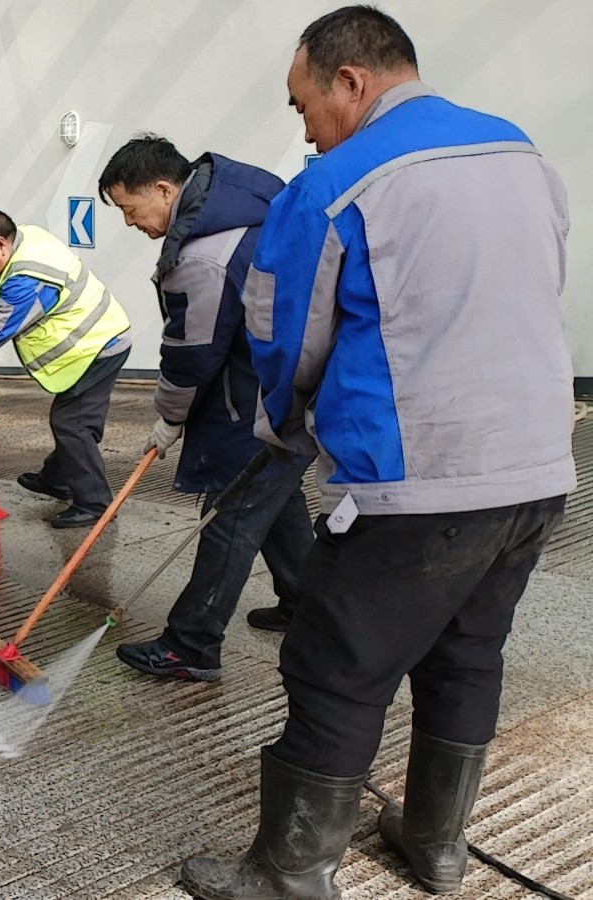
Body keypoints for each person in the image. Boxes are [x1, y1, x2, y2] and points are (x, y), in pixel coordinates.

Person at [180, 7, 574, 899]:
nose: (305, 131)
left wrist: (282, 427)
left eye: (303, 105)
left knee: (333, 664)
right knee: (467, 652)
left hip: (417, 478)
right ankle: (437, 844)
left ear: (350, 82)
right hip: (537, 466)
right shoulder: (520, 153)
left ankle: (290, 872)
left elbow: (283, 338)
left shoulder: (334, 185)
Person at [97, 135, 316, 682]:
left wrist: (169, 417)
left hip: (255, 405)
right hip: (298, 387)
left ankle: (191, 644)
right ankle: (306, 605)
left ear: (164, 189)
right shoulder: (242, 194)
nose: (129, 222)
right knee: (278, 500)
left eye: (129, 208)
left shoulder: (201, 256)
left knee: (230, 517)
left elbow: (191, 355)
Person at [0, 208, 132, 528]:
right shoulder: (25, 236)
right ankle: (56, 479)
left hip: (97, 345)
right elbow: (1, 269)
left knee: (73, 423)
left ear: (1, 244)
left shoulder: (26, 281)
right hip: (99, 337)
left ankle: (95, 504)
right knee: (70, 420)